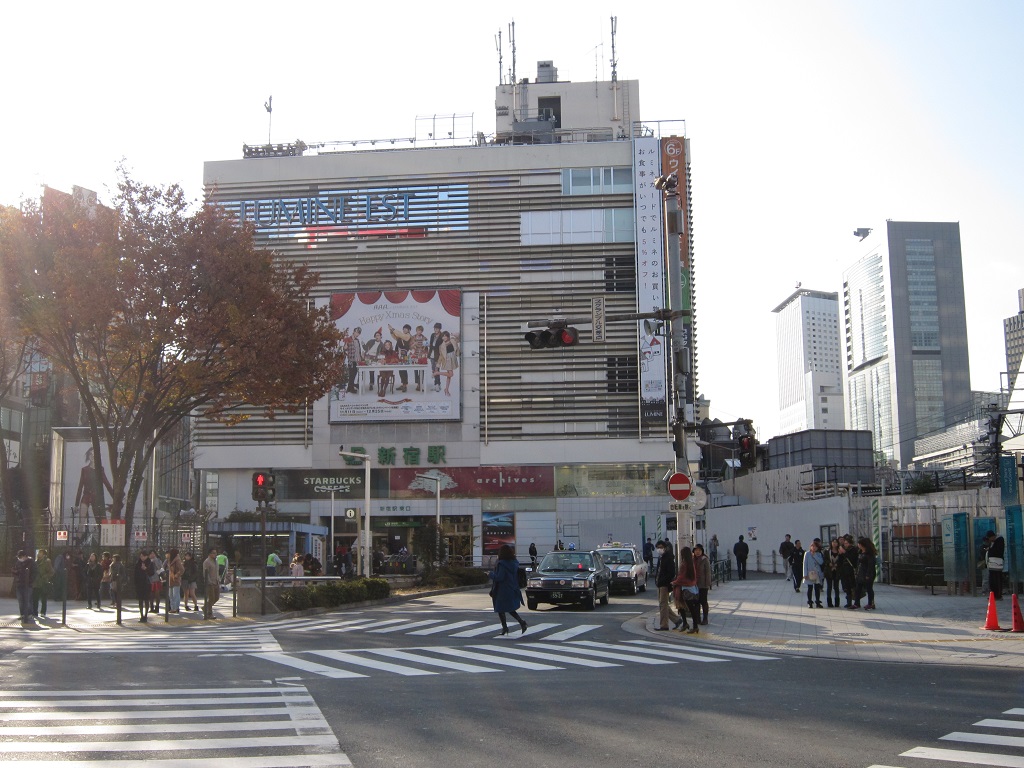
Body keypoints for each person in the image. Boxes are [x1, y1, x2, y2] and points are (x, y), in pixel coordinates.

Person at [488, 544, 527, 636]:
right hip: (512, 588)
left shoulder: (502, 564)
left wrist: (490, 574)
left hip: (502, 589)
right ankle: (520, 622)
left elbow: (499, 577)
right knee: (509, 608)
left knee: (500, 608)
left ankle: (506, 627)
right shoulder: (514, 563)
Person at [654, 540, 684, 631]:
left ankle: (664, 625)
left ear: (665, 548)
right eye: (658, 547)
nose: (659, 549)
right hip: (660, 584)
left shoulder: (668, 558)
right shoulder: (661, 557)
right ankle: (677, 620)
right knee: (663, 604)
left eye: (661, 547)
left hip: (665, 585)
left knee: (663, 604)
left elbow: (671, 573)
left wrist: (663, 581)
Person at [671, 546, 701, 633]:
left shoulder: (684, 564)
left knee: (684, 607)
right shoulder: (691, 563)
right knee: (686, 608)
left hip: (684, 589)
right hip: (691, 588)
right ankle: (687, 624)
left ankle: (693, 626)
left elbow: (681, 577)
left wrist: (675, 582)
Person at [852, 537, 878, 610]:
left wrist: (868, 575)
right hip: (860, 573)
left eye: (859, 544)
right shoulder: (860, 552)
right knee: (858, 588)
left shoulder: (869, 554)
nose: (858, 545)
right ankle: (856, 603)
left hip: (868, 574)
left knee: (869, 589)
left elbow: (871, 565)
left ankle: (871, 603)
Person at [389, 323, 413, 392]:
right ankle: (403, 384)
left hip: (405, 355)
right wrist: (391, 332)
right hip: (399, 354)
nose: (404, 330)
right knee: (400, 369)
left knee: (404, 369)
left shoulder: (407, 336)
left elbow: (400, 334)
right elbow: (396, 337)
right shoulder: (402, 336)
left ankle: (405, 385)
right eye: (403, 329)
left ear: (409, 330)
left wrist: (393, 329)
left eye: (406, 329)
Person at [982, 530, 1005, 600]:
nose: (989, 540)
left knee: (996, 579)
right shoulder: (993, 542)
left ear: (992, 536)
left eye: (989, 538)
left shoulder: (999, 540)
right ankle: (993, 594)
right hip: (992, 564)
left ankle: (998, 594)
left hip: (997, 564)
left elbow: (998, 551)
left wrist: (989, 550)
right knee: (992, 580)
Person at [693, 543, 712, 625]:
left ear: (702, 551)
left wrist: (708, 583)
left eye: (699, 550)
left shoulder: (705, 559)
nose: (697, 552)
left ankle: (705, 618)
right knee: (696, 602)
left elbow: (708, 572)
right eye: (696, 550)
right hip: (694, 584)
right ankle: (697, 618)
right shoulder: (692, 559)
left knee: (703, 601)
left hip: (703, 584)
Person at [13, 550, 34, 623]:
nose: (19, 558)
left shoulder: (31, 562)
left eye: (20, 557)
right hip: (19, 584)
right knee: (20, 600)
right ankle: (22, 614)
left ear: (25, 556)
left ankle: (29, 614)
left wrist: (31, 581)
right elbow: (16, 570)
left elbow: (34, 573)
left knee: (28, 600)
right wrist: (15, 572)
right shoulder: (18, 562)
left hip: (28, 584)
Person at [33, 549, 54, 619]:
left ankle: (43, 612)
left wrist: (45, 576)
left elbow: (51, 572)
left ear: (44, 554)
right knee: (35, 599)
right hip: (36, 583)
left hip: (43, 582)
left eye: (40, 553)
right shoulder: (35, 562)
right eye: (38, 552)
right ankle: (35, 612)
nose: (39, 554)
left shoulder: (47, 562)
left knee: (43, 599)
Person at [803, 540, 825, 608]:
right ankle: (809, 602)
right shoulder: (807, 553)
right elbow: (805, 564)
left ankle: (817, 602)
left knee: (817, 588)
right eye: (812, 546)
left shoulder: (819, 554)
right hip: (809, 573)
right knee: (810, 588)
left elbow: (821, 562)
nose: (814, 548)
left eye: (815, 546)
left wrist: (815, 555)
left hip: (817, 573)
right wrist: (805, 574)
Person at [838, 535, 858, 608]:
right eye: (844, 543)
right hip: (844, 571)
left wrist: (844, 552)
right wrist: (840, 554)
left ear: (850, 543)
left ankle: (856, 602)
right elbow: (840, 561)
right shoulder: (844, 550)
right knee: (847, 587)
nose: (845, 545)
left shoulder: (853, 550)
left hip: (851, 570)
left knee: (853, 586)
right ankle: (848, 602)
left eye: (846, 543)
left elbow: (852, 559)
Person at [437, 331, 459, 396]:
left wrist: (454, 334)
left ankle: (446, 389)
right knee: (451, 374)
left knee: (449, 376)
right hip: (447, 360)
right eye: (442, 336)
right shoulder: (441, 346)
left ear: (448, 336)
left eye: (445, 336)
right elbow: (441, 356)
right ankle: (437, 373)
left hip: (453, 359)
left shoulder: (453, 340)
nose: (444, 337)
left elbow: (459, 338)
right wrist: (438, 365)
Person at [343, 326, 364, 394]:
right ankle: (351, 388)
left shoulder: (357, 340)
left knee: (355, 374)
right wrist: (346, 342)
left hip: (357, 360)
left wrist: (360, 357)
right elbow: (345, 348)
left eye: (359, 333)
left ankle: (349, 387)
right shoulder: (348, 339)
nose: (357, 334)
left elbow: (358, 350)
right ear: (354, 331)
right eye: (357, 332)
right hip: (351, 359)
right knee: (352, 374)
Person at [133, 551, 152, 622]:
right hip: (139, 584)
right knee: (140, 600)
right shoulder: (138, 563)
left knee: (146, 600)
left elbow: (152, 573)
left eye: (143, 556)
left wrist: (145, 569)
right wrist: (135, 583)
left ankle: (146, 615)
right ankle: (141, 615)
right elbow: (135, 574)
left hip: (147, 584)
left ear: (146, 556)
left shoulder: (150, 563)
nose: (142, 558)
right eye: (141, 556)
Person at [823, 539, 842, 608]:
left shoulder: (840, 551)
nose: (834, 544)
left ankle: (837, 602)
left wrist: (837, 564)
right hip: (829, 571)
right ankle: (829, 602)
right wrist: (829, 563)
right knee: (829, 587)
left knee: (836, 587)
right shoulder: (827, 551)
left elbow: (842, 560)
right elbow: (825, 559)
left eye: (836, 542)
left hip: (837, 571)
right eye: (833, 542)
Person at [203, 549, 220, 620]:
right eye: (213, 553)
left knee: (216, 597)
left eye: (216, 553)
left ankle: (205, 607)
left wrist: (218, 579)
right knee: (211, 598)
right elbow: (205, 573)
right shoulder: (207, 562)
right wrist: (209, 582)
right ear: (209, 554)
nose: (215, 554)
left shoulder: (215, 561)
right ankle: (209, 613)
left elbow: (217, 571)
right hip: (210, 583)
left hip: (216, 581)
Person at [166, 548, 184, 614]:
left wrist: (177, 575)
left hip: (175, 579)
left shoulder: (177, 560)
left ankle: (176, 607)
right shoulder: (169, 560)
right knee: (170, 594)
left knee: (175, 594)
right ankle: (172, 608)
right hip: (170, 579)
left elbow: (182, 569)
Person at [108, 553, 126, 619]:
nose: (113, 559)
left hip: (115, 580)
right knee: (116, 591)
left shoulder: (115, 565)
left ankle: (115, 602)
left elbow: (113, 572)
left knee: (113, 591)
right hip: (117, 580)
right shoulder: (120, 565)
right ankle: (116, 602)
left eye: (114, 558)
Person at [428, 322, 444, 392]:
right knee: (434, 370)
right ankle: (438, 384)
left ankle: (436, 385)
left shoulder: (442, 336)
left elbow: (443, 346)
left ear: (440, 329)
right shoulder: (432, 335)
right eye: (435, 328)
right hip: (432, 354)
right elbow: (431, 345)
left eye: (437, 328)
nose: (436, 330)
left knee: (436, 370)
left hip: (438, 355)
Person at [148, 550, 164, 614]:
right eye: (151, 553)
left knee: (157, 594)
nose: (152, 555)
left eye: (153, 553)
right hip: (150, 579)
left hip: (157, 579)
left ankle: (157, 607)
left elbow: (160, 568)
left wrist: (155, 561)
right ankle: (151, 607)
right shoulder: (148, 561)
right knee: (150, 594)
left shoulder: (158, 560)